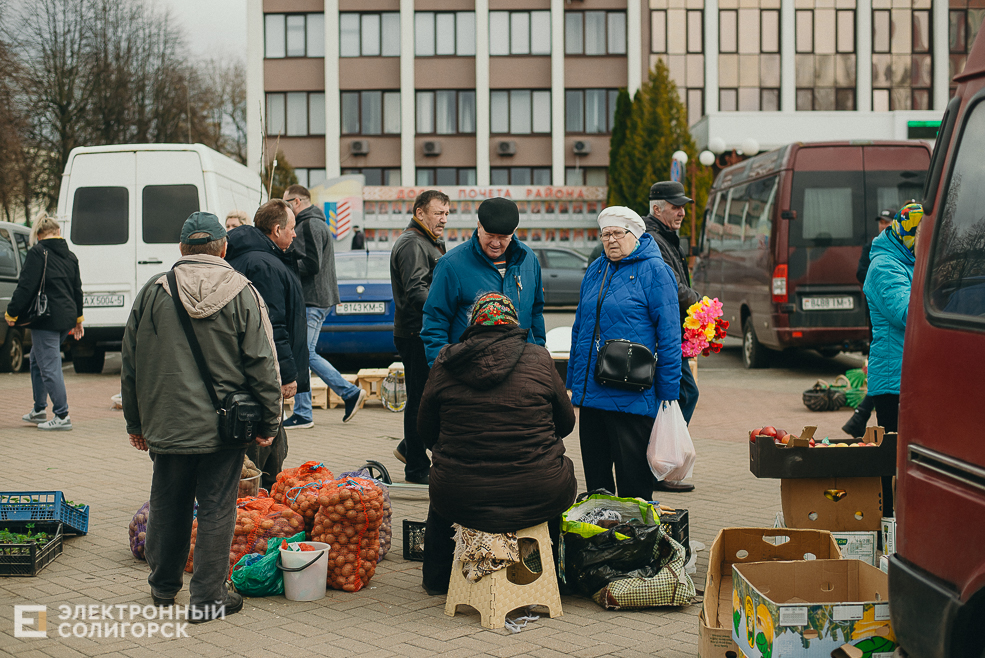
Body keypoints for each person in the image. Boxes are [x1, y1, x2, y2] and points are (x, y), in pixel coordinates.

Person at [121, 212, 282, 622]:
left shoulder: (153, 292)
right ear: (223, 247)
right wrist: (269, 421)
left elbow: (131, 363)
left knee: (167, 502)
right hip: (223, 425)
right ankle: (208, 599)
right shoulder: (243, 291)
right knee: (216, 508)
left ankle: (162, 588)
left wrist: (136, 423)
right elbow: (263, 362)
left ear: (181, 249)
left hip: (167, 422)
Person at [417, 292, 577, 594]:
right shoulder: (539, 357)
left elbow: (425, 431)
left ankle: (436, 580)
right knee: (559, 473)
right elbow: (566, 424)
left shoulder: (446, 360)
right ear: (513, 322)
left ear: (473, 323)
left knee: (442, 485)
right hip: (538, 492)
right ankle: (554, 576)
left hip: (460, 495)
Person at [567, 206, 682, 501]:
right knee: (597, 483)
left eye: (618, 233)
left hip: (632, 393)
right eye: (605, 234)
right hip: (592, 393)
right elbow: (580, 328)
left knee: (633, 483)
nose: (611, 240)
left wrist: (669, 393)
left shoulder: (656, 271)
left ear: (636, 235)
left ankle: (638, 540)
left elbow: (670, 335)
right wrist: (573, 384)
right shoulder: (596, 270)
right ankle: (602, 539)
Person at [225, 199, 310, 489]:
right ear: (276, 230)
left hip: (255, 371)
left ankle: (263, 498)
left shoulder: (260, 257)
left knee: (275, 446)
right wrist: (287, 374)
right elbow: (273, 325)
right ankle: (253, 504)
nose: (295, 234)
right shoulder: (262, 264)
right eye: (291, 228)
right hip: (262, 372)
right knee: (263, 450)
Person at [421, 197, 546, 367]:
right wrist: (442, 369)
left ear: (514, 231)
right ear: (479, 226)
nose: (495, 243)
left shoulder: (529, 260)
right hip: (469, 370)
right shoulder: (451, 265)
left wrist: (538, 356)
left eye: (503, 237)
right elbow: (435, 321)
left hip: (521, 369)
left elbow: (536, 313)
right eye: (490, 235)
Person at [281, 184, 366, 428]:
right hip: (318, 298)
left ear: (297, 202)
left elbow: (311, 263)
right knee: (305, 354)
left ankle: (335, 399)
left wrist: (285, 265)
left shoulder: (307, 224)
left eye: (287, 203)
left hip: (313, 299)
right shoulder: (316, 223)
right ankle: (309, 409)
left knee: (304, 354)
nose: (286, 208)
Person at [863, 202, 921, 517]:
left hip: (911, 375)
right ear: (903, 232)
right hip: (893, 378)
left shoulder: (909, 260)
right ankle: (888, 527)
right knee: (891, 460)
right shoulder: (885, 266)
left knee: (907, 459)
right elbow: (906, 313)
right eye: (917, 237)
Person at [389, 190, 449, 485]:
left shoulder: (429, 241)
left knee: (430, 398)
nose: (444, 219)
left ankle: (409, 446)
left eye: (447, 213)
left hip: (425, 331)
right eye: (438, 213)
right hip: (416, 333)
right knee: (419, 401)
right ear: (420, 212)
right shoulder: (413, 243)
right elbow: (416, 291)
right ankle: (414, 466)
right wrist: (445, 310)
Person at [6, 215, 84, 431]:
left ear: (39, 235)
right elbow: (77, 289)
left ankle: (62, 415)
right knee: (37, 362)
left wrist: (12, 313)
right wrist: (78, 319)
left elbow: (26, 286)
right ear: (58, 232)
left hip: (45, 318)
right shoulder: (70, 256)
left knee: (49, 366)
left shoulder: (37, 253)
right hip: (65, 317)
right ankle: (39, 409)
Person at [645, 182, 700, 426]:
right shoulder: (655, 239)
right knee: (686, 394)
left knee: (676, 394)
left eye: (683, 207)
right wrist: (699, 302)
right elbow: (673, 290)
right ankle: (664, 446)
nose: (682, 212)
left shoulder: (666, 237)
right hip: (664, 333)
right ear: (657, 210)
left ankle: (663, 446)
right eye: (676, 206)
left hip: (670, 330)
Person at [842, 208, 895, 438]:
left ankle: (860, 415)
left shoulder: (898, 253)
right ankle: (860, 416)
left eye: (887, 221)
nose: (883, 225)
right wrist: (876, 280)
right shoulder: (873, 249)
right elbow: (861, 272)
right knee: (882, 368)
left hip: (888, 322)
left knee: (885, 371)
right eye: (881, 222)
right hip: (878, 318)